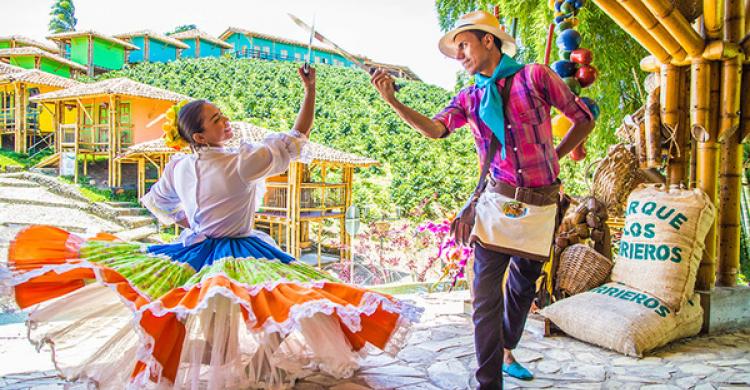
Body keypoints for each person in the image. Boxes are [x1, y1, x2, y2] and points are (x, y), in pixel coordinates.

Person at [2, 66, 420, 389]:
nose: (227, 122)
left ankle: (231, 365)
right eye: (217, 120)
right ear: (199, 136)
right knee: (267, 310)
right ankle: (242, 366)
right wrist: (310, 91)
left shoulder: (181, 163)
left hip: (198, 249)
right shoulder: (242, 160)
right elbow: (298, 135)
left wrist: (189, 220)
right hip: (237, 251)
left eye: (223, 116)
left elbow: (156, 203)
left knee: (234, 313)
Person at [371, 10, 595, 390]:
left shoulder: (536, 77)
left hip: (541, 205)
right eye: (456, 49)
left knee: (524, 288)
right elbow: (437, 129)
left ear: (488, 41)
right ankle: (488, 382)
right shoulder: (470, 96)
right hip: (497, 202)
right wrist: (393, 102)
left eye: (464, 45)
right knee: (485, 297)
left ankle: (507, 345)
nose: (459, 55)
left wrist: (553, 157)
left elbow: (583, 118)